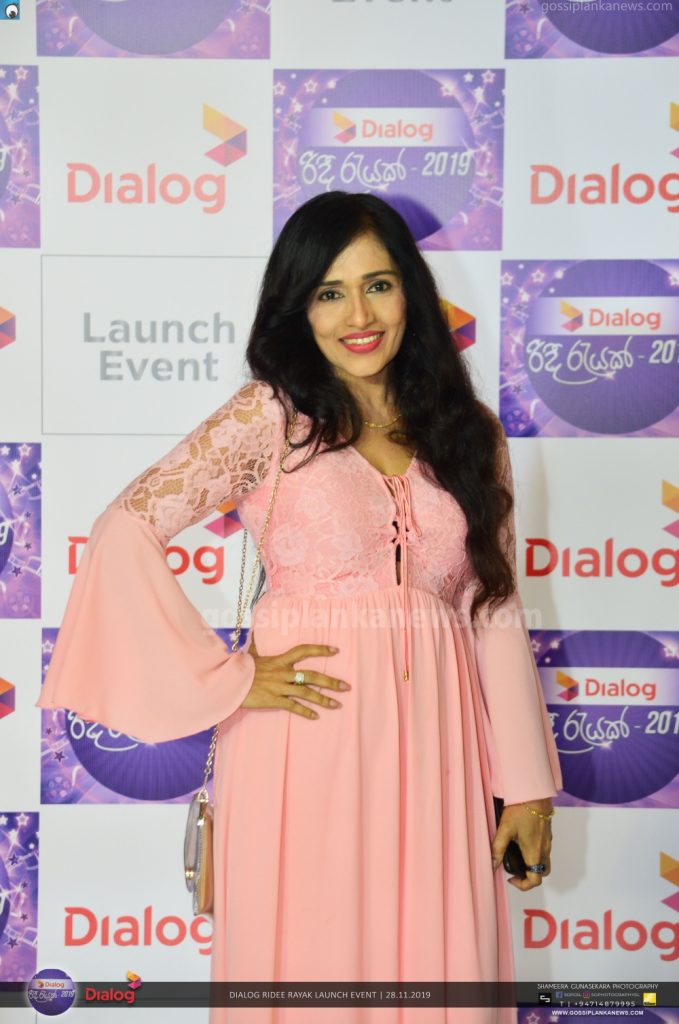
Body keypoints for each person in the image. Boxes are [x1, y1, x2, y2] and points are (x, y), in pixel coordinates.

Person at [37, 191, 562, 1023]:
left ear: (410, 292)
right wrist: (228, 677)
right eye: (329, 292)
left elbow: (492, 604)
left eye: (378, 285)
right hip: (301, 745)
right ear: (298, 307)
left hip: (440, 747)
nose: (359, 315)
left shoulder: (470, 432)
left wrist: (526, 788)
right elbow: (124, 530)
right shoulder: (269, 417)